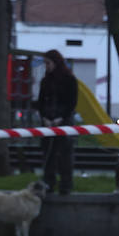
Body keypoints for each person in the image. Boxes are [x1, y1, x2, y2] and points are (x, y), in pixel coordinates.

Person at [37, 49, 78, 195]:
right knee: (48, 154)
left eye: (48, 63)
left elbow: (72, 102)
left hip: (64, 122)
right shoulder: (45, 81)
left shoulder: (69, 80)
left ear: (56, 62)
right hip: (48, 121)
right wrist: (44, 118)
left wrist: (61, 118)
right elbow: (40, 102)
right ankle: (49, 183)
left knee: (64, 155)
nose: (46, 66)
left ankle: (65, 185)